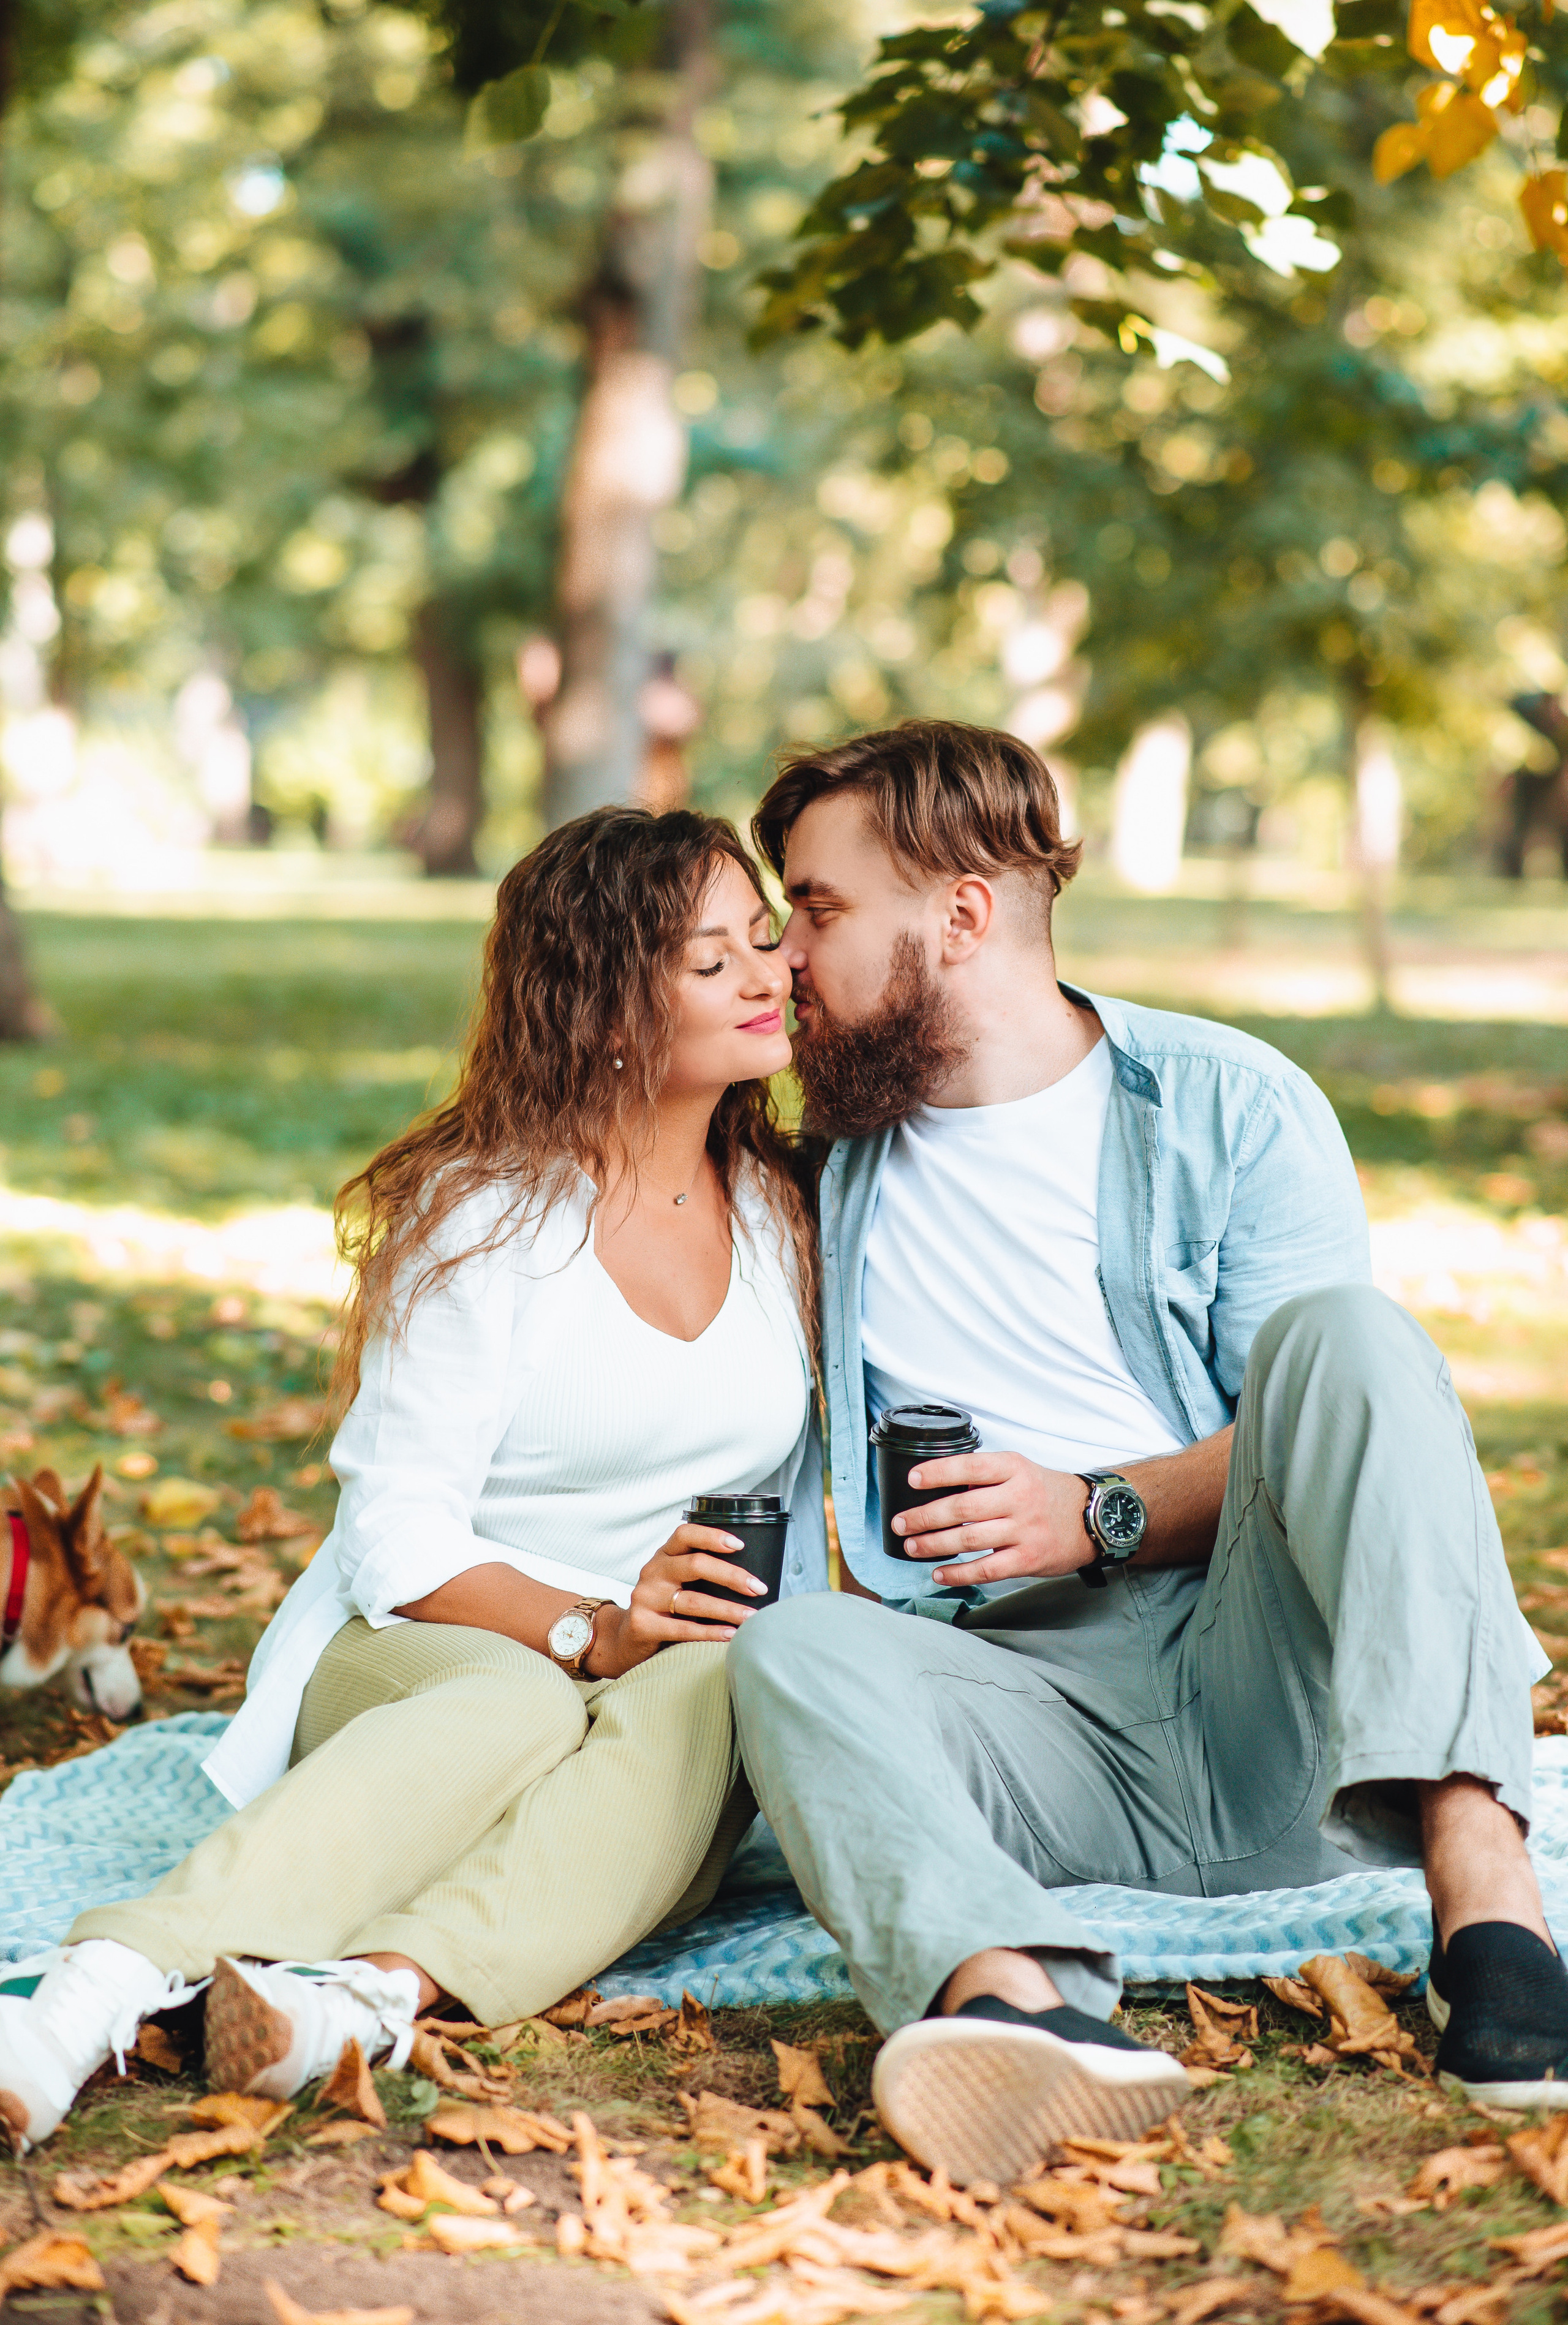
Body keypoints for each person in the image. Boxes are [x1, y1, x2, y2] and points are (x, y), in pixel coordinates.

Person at [727, 718, 1563, 2187]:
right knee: (794, 1654)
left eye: (816, 906)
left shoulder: (1227, 1106)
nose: (785, 953)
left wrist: (1093, 1510)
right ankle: (1018, 2005)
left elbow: (1334, 1445)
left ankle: (1486, 1906)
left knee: (1351, 1338)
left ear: (962, 912)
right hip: (1026, 1723)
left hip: (1267, 1702)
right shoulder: (828, 1157)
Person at [0, 809, 824, 2155]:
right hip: (432, 1640)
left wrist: (651, 1643)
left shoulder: (784, 1212)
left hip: (665, 1658)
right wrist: (588, 1628)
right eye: (708, 957)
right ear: (606, 1003)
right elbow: (394, 1536)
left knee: (722, 1680)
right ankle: (84, 1993)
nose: (764, 973)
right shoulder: (483, 1217)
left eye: (766, 939)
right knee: (514, 1702)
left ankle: (367, 1998)